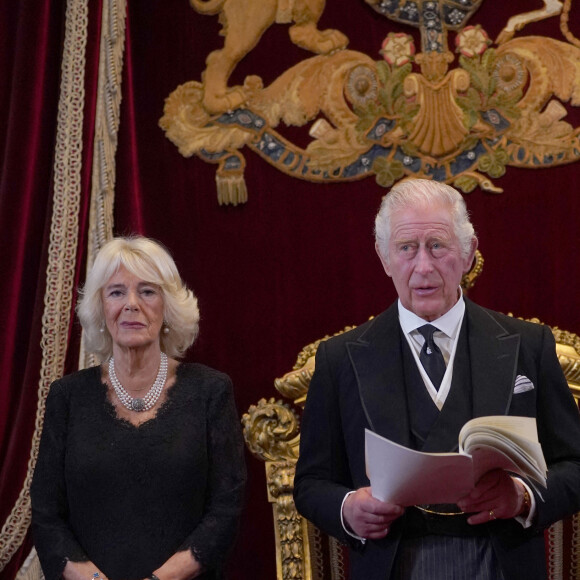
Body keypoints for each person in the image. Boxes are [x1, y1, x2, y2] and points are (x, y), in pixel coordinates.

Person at [293, 179, 580, 580]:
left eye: (437, 246)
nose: (423, 267)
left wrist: (522, 495)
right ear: (384, 257)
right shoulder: (339, 358)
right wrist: (347, 508)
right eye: (407, 248)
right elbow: (310, 484)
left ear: (468, 253)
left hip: (502, 559)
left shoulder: (529, 346)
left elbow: (575, 465)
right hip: (393, 562)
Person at [31, 236, 246, 580]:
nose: (131, 304)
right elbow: (46, 513)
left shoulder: (211, 391)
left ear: (169, 307)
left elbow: (225, 508)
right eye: (116, 292)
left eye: (147, 291)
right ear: (101, 308)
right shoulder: (67, 397)